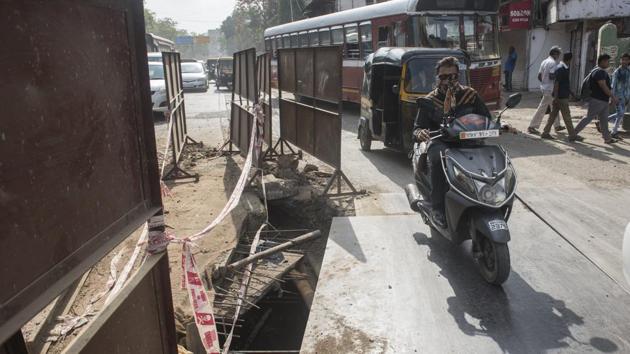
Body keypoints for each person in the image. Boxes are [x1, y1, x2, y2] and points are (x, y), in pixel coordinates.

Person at [413, 56, 492, 228]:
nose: (448, 80)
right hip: (442, 142)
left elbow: (487, 118)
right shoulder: (430, 100)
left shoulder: (470, 95)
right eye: (443, 77)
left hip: (469, 141)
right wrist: (421, 132)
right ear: (437, 78)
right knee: (438, 159)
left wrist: (500, 126)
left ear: (458, 76)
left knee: (489, 157)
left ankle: (488, 197)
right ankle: (438, 209)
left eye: (452, 76)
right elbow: (417, 128)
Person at [574, 54, 618, 144]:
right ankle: (573, 133)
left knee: (604, 120)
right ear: (602, 61)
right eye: (607, 61)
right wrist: (612, 96)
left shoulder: (598, 71)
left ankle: (607, 138)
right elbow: (603, 85)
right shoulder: (599, 72)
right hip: (598, 100)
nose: (608, 63)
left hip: (602, 100)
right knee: (588, 118)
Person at [541, 53, 583, 141]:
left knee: (553, 116)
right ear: (570, 60)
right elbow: (557, 84)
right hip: (561, 97)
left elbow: (564, 84)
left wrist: (571, 94)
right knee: (567, 116)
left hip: (559, 96)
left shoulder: (561, 67)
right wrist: (556, 97)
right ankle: (572, 135)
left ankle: (545, 132)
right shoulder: (561, 69)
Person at [528, 46, 565, 134]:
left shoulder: (544, 61)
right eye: (558, 54)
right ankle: (532, 126)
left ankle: (557, 125)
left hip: (545, 88)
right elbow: (552, 76)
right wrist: (558, 77)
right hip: (549, 89)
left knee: (554, 106)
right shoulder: (553, 63)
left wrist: (544, 82)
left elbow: (539, 76)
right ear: (555, 54)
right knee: (543, 108)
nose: (559, 56)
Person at [607, 52, 630, 140]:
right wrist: (612, 97)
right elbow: (613, 85)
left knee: (620, 115)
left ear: (629, 61)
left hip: (626, 97)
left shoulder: (628, 71)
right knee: (620, 113)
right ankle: (604, 120)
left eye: (626, 60)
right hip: (618, 96)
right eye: (623, 60)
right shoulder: (617, 72)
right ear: (620, 60)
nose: (624, 61)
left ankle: (614, 132)